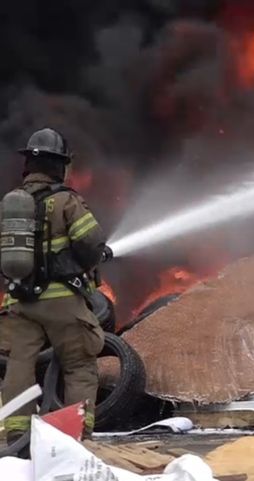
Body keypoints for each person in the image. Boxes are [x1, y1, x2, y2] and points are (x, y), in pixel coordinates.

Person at [0, 128, 108, 445]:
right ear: (59, 165)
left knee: (19, 364)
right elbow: (90, 241)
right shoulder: (65, 201)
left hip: (19, 302)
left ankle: (17, 435)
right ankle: (74, 438)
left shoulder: (10, 205)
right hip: (62, 301)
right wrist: (95, 257)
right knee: (80, 363)